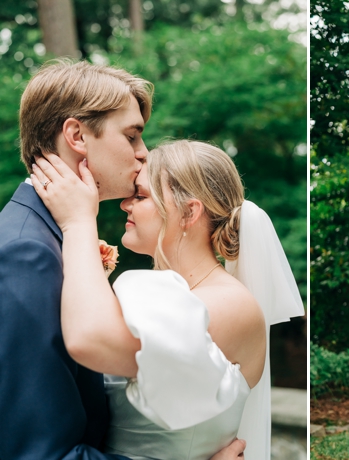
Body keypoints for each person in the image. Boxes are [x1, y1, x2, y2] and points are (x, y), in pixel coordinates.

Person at [0, 59, 241, 459]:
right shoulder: (26, 253)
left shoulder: (56, 240)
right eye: (132, 137)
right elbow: (39, 452)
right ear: (77, 135)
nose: (144, 154)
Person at [30, 138, 303, 459]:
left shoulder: (230, 305)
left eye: (141, 196)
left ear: (189, 212)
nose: (124, 204)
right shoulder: (175, 298)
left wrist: (78, 222)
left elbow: (89, 339)